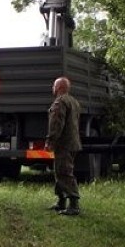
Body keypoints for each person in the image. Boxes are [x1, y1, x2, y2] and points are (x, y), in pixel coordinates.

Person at [46, 76, 82, 216]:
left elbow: (56, 124)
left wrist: (51, 140)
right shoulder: (74, 101)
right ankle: (61, 201)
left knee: (64, 172)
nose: (52, 88)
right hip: (73, 142)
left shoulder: (60, 102)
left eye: (54, 86)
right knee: (60, 170)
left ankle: (74, 204)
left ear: (59, 87)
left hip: (64, 143)